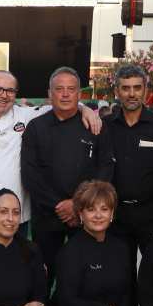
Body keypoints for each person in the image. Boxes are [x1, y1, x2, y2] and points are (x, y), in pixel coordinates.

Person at [0, 70, 100, 244]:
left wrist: (84, 108)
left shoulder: (26, 115)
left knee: (17, 266)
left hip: (17, 216)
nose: (4, 96)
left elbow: (63, 104)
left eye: (10, 91)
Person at [21, 67, 115, 290]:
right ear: (49, 93)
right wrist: (58, 205)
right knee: (43, 275)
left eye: (71, 89)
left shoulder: (95, 126)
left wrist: (78, 205)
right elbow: (30, 174)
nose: (65, 94)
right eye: (59, 89)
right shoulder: (36, 127)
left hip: (86, 216)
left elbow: (105, 168)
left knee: (86, 276)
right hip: (47, 216)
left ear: (79, 95)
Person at [108, 64, 153, 306]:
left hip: (152, 214)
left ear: (146, 90)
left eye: (137, 88)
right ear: (117, 91)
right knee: (122, 279)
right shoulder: (104, 127)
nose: (131, 94)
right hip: (116, 215)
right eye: (126, 88)